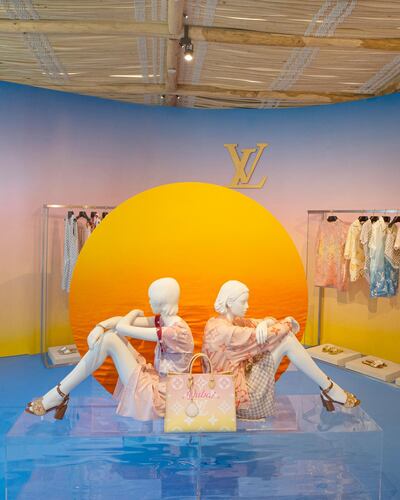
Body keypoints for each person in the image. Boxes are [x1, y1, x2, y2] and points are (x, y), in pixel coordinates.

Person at [26, 277, 194, 421]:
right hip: (158, 382)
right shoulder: (167, 322)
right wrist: (100, 326)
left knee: (112, 338)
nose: (149, 302)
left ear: (161, 302)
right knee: (111, 336)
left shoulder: (174, 332)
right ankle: (58, 394)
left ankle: (58, 394)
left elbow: (123, 327)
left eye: (151, 299)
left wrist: (133, 312)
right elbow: (119, 323)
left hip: (164, 397)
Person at [202, 280, 360, 419]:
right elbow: (271, 334)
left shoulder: (220, 323)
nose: (247, 306)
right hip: (240, 404)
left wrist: (265, 323)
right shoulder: (227, 332)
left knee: (285, 337)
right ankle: (329, 389)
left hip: (228, 395)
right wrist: (288, 321)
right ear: (229, 303)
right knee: (286, 339)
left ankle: (328, 388)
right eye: (243, 302)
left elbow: (266, 322)